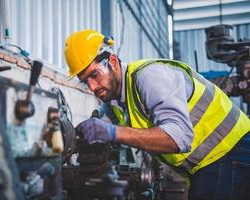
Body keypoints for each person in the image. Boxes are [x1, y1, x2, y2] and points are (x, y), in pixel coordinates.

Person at [64, 29, 250, 200]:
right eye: (85, 82)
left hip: (231, 150)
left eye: (94, 75)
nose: (92, 87)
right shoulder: (115, 101)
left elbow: (179, 137)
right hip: (211, 161)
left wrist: (114, 133)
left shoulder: (149, 77)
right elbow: (100, 125)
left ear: (112, 62)